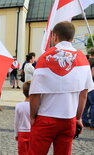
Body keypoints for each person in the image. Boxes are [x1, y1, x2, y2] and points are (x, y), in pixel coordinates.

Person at [29, 21, 93, 155]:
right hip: (68, 118)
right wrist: (77, 118)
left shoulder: (44, 58)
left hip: (46, 117)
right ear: (72, 38)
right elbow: (84, 94)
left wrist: (32, 116)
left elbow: (35, 93)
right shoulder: (82, 59)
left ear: (54, 36)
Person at [14, 81, 31, 155]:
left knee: (22, 152)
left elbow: (16, 122)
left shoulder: (18, 106)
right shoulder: (37, 106)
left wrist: (16, 134)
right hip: (33, 132)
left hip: (22, 132)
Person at [82, 47, 94, 129]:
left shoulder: (86, 61)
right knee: (93, 104)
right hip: (92, 84)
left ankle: (84, 121)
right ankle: (93, 123)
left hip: (85, 84)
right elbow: (92, 73)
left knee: (86, 104)